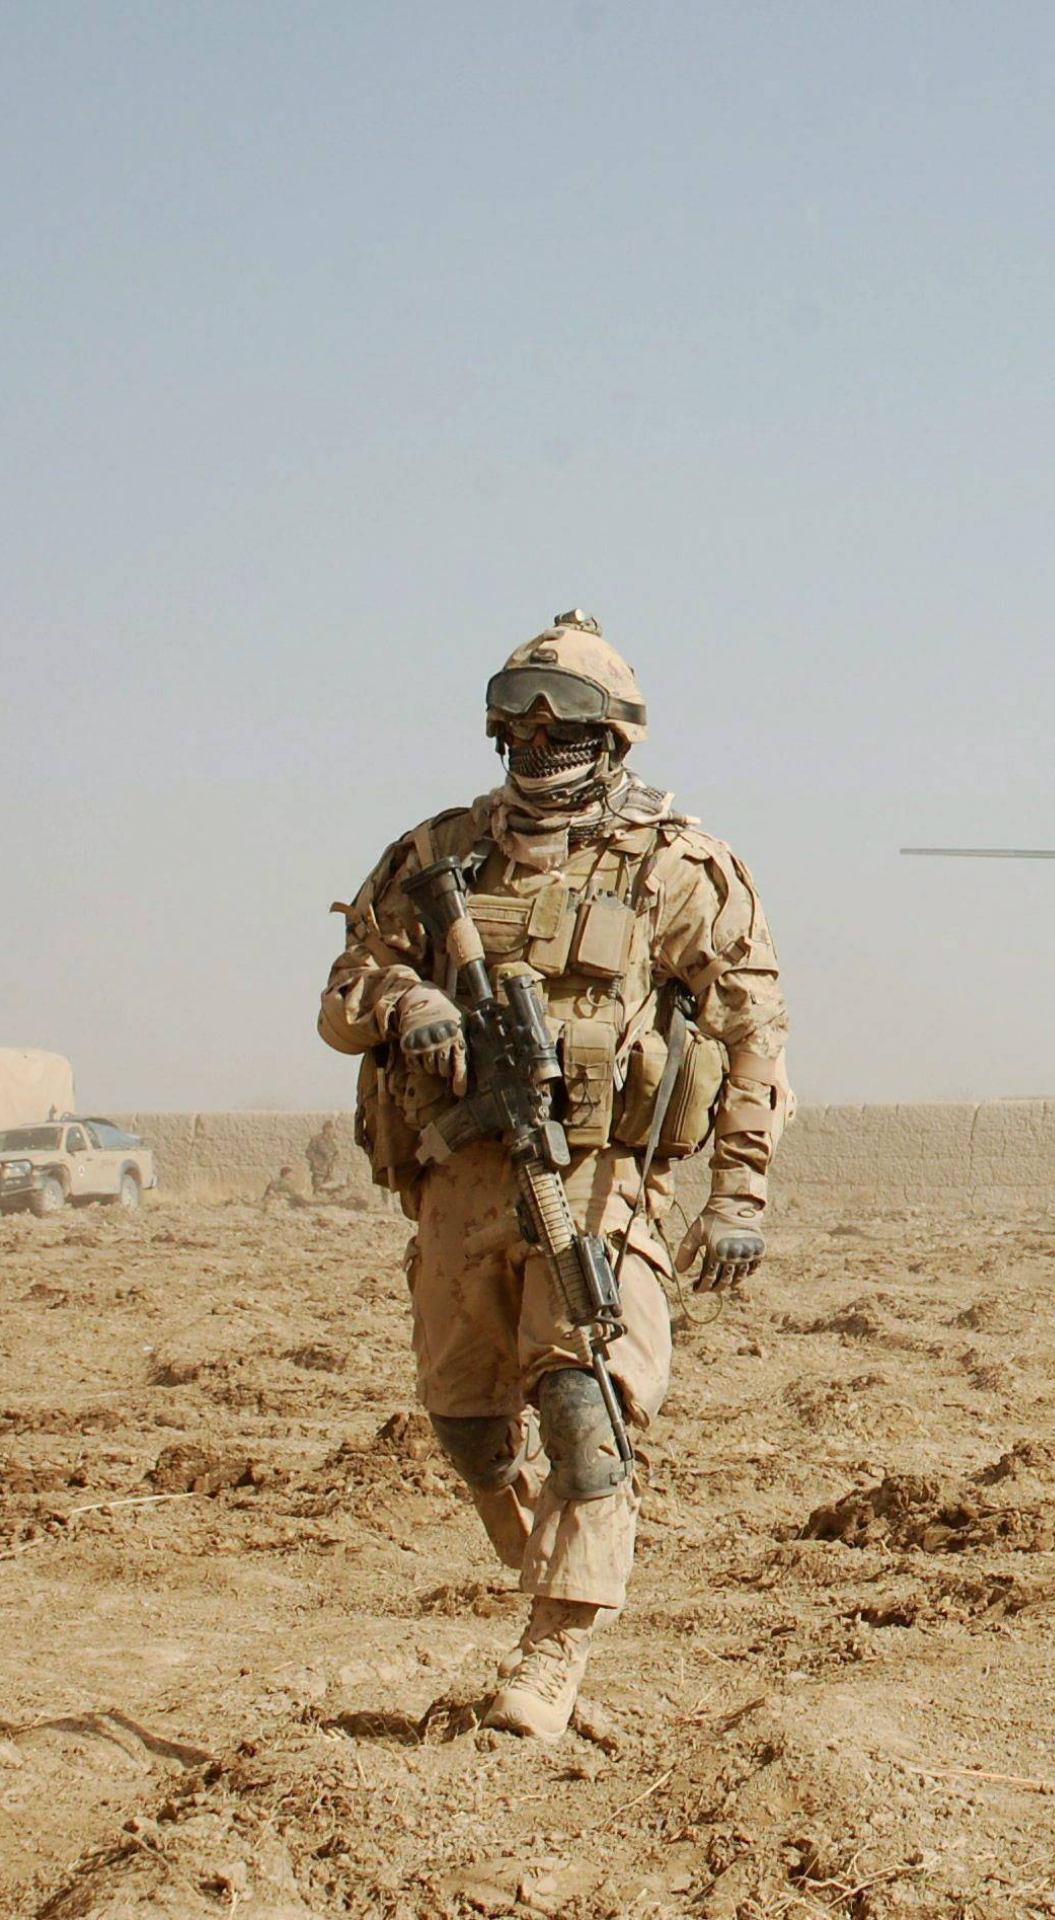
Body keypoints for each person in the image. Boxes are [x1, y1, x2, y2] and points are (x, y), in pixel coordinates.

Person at [319, 610, 791, 1739]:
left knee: (588, 1407)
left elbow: (755, 1022)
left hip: (595, 1181)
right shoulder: (438, 856)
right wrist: (409, 998)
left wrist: (740, 1192)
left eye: (566, 717)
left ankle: (555, 1650)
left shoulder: (676, 866)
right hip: (456, 1183)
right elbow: (347, 990)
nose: (539, 737)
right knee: (469, 1428)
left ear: (615, 737)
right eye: (520, 715)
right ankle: (554, 1579)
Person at [306, 1119, 339, 1195]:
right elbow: (309, 1152)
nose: (330, 1130)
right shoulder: (316, 1139)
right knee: (318, 1187)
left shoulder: (331, 1141)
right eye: (329, 1128)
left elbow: (334, 1152)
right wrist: (315, 1162)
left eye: (331, 1128)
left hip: (329, 1169)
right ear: (325, 1129)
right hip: (319, 1168)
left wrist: (335, 1157)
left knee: (327, 1189)